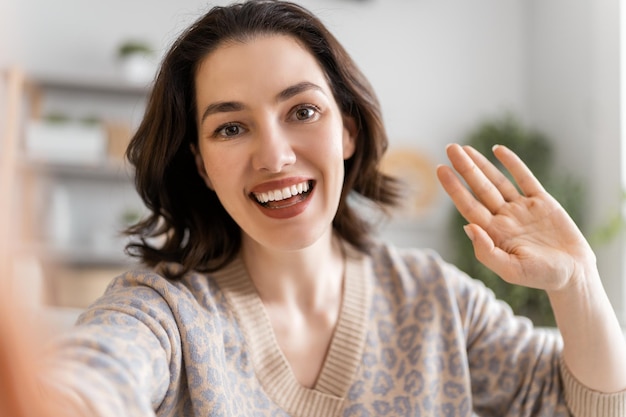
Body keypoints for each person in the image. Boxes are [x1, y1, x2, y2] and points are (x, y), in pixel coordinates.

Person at [29, 1, 626, 416]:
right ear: (202, 165)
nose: (275, 155)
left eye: (302, 111)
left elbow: (586, 403)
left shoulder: (435, 300)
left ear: (347, 130)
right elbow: (96, 376)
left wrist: (577, 282)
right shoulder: (164, 314)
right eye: (232, 127)